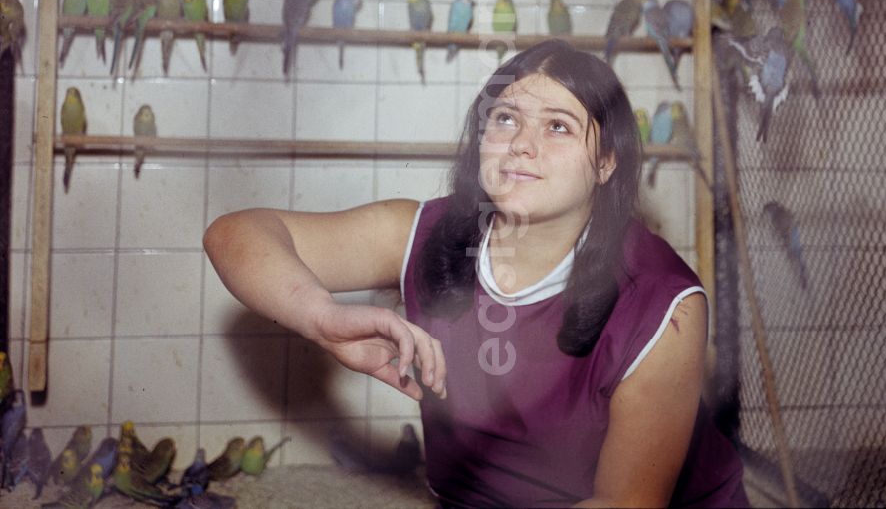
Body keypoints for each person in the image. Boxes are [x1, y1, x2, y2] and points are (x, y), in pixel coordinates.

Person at [204, 39, 747, 508]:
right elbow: (234, 235)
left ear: (606, 161)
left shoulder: (663, 303)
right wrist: (319, 316)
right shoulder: (424, 231)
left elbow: (625, 502)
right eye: (506, 117)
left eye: (558, 126)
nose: (521, 144)